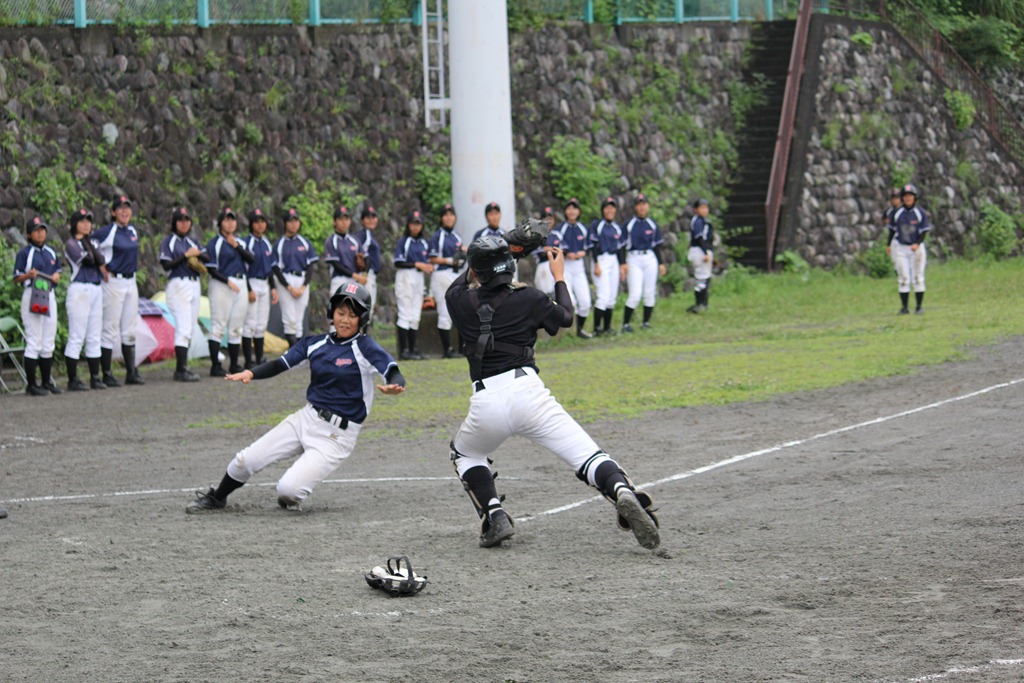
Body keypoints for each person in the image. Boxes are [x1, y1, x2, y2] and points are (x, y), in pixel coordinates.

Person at [445, 235, 661, 550]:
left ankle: (494, 516)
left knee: (465, 453)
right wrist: (559, 276)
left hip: (486, 402)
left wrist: (491, 254)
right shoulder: (530, 297)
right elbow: (566, 316)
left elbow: (458, 285)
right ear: (509, 266)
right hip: (529, 394)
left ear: (476, 271)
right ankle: (620, 491)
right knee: (588, 456)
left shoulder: (461, 302)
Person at [186, 282, 406, 513]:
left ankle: (292, 491)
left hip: (336, 436)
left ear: (362, 319)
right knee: (246, 459)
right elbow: (280, 364)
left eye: (352, 315)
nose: (345, 319)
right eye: (341, 312)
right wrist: (251, 372)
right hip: (307, 418)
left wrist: (395, 385)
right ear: (332, 313)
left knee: (288, 491)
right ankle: (217, 497)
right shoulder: (315, 343)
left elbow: (392, 371)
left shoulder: (365, 347)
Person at [92, 194, 144, 386]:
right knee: (110, 327)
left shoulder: (132, 231)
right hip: (114, 282)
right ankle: (106, 373)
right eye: (120, 208)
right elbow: (90, 244)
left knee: (129, 328)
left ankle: (131, 372)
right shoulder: (108, 231)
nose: (124, 211)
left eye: (127, 208)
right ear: (113, 212)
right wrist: (101, 265)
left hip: (131, 281)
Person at [13, 216, 62, 396]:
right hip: (32, 295)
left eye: (42, 229)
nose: (40, 233)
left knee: (48, 339)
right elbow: (16, 278)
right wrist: (28, 276)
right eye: (36, 230)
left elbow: (57, 271)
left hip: (49, 295)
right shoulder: (25, 253)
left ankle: (46, 382)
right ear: (29, 234)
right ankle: (32, 384)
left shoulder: (50, 251)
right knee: (35, 339)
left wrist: (57, 276)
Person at [159, 207, 206, 382]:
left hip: (194, 284)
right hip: (179, 283)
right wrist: (186, 256)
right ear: (174, 223)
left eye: (187, 220)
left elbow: (207, 260)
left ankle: (183, 367)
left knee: (191, 328)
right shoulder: (169, 241)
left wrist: (198, 254)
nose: (184, 223)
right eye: (181, 220)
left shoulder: (193, 241)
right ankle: (181, 369)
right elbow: (166, 265)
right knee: (184, 327)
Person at [63, 208, 109, 391]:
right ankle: (72, 379)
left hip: (96, 288)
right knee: (77, 335)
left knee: (94, 334)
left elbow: (101, 259)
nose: (86, 225)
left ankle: (95, 377)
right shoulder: (72, 243)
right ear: (74, 225)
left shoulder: (92, 241)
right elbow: (91, 260)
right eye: (82, 221)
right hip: (79, 289)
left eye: (88, 221)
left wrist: (91, 248)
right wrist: (92, 250)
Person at [205, 207, 254, 375]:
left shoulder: (241, 242)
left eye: (232, 219)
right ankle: (215, 366)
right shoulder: (215, 243)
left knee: (236, 326)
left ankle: (234, 364)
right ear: (220, 223)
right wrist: (227, 281)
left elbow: (251, 259)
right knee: (218, 324)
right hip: (222, 283)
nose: (230, 223)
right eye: (226, 220)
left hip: (240, 282)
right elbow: (211, 268)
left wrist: (236, 246)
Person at [240, 208, 279, 370]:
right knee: (250, 322)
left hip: (265, 283)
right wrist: (248, 289)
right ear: (251, 224)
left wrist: (274, 287)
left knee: (262, 323)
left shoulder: (266, 242)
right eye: (257, 221)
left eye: (263, 221)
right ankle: (248, 360)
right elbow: (242, 267)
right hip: (252, 282)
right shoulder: (246, 242)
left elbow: (270, 267)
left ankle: (259, 357)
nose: (260, 224)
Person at [273, 208, 318, 347]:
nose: (293, 224)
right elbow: (276, 268)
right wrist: (289, 287)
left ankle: (298, 355)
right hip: (286, 280)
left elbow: (310, 266)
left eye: (296, 221)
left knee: (299, 319)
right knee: (289, 318)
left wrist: (304, 286)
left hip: (302, 280)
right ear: (285, 223)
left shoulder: (304, 242)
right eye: (290, 221)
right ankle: (294, 352)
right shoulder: (279, 243)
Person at [393, 210, 433, 360]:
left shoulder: (423, 243)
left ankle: (413, 348)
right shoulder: (404, 241)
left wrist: (427, 266)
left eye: (418, 224)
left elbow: (428, 260)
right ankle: (403, 350)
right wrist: (418, 264)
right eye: (413, 224)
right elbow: (398, 261)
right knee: (405, 311)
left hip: (418, 277)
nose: (416, 227)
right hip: (406, 275)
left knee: (415, 313)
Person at [622, 194, 667, 330]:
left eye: (644, 204)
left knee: (649, 292)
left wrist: (661, 263)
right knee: (635, 294)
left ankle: (646, 322)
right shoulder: (629, 225)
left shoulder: (652, 224)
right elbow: (622, 246)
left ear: (648, 206)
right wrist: (623, 263)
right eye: (639, 204)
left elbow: (657, 246)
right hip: (634, 257)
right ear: (635, 207)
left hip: (649, 257)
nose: (642, 207)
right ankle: (626, 324)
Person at [427, 203, 465, 358]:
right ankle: (447, 350)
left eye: (451, 215)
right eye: (446, 215)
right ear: (441, 218)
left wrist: (463, 255)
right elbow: (432, 258)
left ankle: (462, 349)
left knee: (461, 310)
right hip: (442, 275)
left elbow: (462, 255)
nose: (449, 218)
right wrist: (450, 260)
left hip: (457, 274)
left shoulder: (456, 236)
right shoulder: (438, 236)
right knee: (444, 311)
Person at [552, 198, 594, 338]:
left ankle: (580, 329)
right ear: (565, 211)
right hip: (565, 266)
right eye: (569, 208)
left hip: (579, 266)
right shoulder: (560, 229)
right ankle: (567, 333)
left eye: (574, 208)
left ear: (579, 211)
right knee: (571, 302)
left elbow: (588, 248)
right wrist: (565, 252)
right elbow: (555, 247)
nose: (572, 211)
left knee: (585, 302)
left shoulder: (583, 228)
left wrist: (584, 252)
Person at [887, 183, 930, 314]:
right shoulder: (897, 213)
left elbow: (924, 231)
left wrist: (917, 243)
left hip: (916, 247)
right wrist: (888, 245)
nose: (908, 199)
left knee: (918, 277)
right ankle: (904, 307)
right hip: (901, 247)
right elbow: (892, 231)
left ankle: (919, 306)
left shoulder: (919, 213)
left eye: (910, 196)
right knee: (903, 277)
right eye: (905, 196)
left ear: (915, 197)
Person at [589, 198, 627, 335]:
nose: (610, 211)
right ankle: (596, 328)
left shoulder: (617, 227)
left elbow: (621, 248)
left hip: (614, 260)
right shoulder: (597, 225)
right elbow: (593, 245)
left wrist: (623, 265)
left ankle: (607, 327)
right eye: (607, 208)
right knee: (603, 295)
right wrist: (596, 263)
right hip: (601, 258)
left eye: (612, 208)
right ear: (603, 210)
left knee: (612, 296)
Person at [324, 205, 367, 297]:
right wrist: (356, 276)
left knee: (354, 309)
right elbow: (336, 265)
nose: (344, 222)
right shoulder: (331, 240)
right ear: (334, 222)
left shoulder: (354, 240)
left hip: (355, 280)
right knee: (338, 309)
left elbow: (365, 258)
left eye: (346, 219)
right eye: (341, 219)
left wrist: (364, 275)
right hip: (339, 279)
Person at [353, 204, 383, 318]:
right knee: (364, 308)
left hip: (368, 275)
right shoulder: (364, 234)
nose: (371, 220)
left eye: (373, 217)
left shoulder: (369, 235)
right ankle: (361, 335)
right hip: (366, 275)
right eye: (368, 217)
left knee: (366, 309)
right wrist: (364, 274)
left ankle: (363, 335)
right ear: (362, 220)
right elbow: (361, 255)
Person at [687, 198, 715, 314]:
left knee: (704, 277)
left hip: (702, 250)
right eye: (701, 207)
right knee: (702, 278)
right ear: (695, 210)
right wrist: (706, 252)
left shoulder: (703, 221)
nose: (704, 210)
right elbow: (699, 238)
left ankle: (703, 304)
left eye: (706, 207)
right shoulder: (698, 221)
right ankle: (700, 304)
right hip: (699, 250)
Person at [531, 207, 557, 296]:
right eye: (546, 218)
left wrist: (549, 249)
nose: (548, 221)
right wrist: (546, 249)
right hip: (543, 265)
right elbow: (534, 252)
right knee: (545, 295)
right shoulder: (537, 235)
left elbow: (564, 251)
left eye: (550, 218)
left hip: (557, 265)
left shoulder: (557, 234)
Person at [881, 187, 902, 274]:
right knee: (894, 258)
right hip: (893, 236)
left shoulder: (903, 210)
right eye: (893, 198)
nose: (894, 200)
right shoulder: (889, 211)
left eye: (896, 198)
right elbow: (884, 219)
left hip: (903, 237)